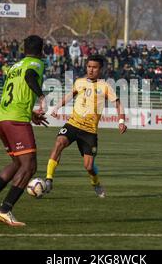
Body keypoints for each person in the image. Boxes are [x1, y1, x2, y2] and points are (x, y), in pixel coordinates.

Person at [0, 35, 49, 227]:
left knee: (18, 162)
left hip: (3, 119)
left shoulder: (15, 66)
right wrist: (41, 97)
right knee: (29, 166)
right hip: (16, 121)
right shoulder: (36, 64)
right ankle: (5, 210)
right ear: (42, 50)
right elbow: (29, 77)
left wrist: (31, 113)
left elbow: (17, 92)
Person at [44, 55, 127, 198]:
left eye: (94, 67)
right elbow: (69, 95)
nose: (91, 70)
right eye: (89, 66)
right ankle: (48, 179)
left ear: (100, 69)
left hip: (89, 131)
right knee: (59, 143)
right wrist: (56, 107)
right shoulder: (79, 82)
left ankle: (95, 183)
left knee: (88, 166)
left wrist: (121, 122)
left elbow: (118, 104)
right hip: (73, 124)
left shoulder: (105, 86)